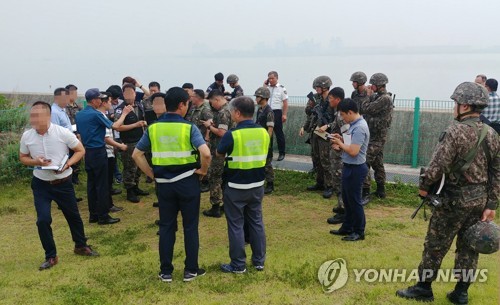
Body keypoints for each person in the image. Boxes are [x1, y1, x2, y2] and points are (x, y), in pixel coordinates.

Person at [396, 82, 500, 304]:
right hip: (479, 201)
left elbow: (437, 166)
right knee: (470, 246)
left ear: (464, 106)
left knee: (435, 244)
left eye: (456, 103)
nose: (454, 106)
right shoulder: (491, 134)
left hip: (452, 200)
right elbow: (496, 171)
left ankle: (423, 288)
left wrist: (424, 186)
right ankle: (461, 293)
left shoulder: (454, 131)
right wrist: (491, 204)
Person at [132, 87, 211, 283]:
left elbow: (136, 155)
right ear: (182, 105)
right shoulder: (189, 128)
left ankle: (166, 271)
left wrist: (151, 174)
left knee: (167, 227)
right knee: (190, 227)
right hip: (187, 183)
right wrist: (202, 170)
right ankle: (191, 269)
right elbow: (206, 153)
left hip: (164, 185)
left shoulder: (153, 128)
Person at [20, 101, 99, 271]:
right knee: (43, 220)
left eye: (37, 115)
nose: (33, 118)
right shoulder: (27, 136)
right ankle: (51, 256)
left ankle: (80, 246)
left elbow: (80, 150)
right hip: (41, 184)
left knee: (73, 216)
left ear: (47, 116)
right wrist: (36, 161)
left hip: (63, 183)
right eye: (31, 115)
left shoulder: (63, 133)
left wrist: (69, 164)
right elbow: (23, 157)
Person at [217, 96, 269, 273]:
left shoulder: (232, 134)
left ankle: (238, 264)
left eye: (232, 112)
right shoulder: (263, 132)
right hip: (257, 185)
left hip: (236, 186)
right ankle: (259, 261)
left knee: (236, 224)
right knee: (256, 222)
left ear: (237, 113)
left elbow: (219, 152)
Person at [76, 88, 132, 225]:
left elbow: (80, 134)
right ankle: (103, 216)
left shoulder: (79, 114)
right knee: (101, 184)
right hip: (98, 151)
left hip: (88, 151)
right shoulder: (96, 114)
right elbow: (115, 126)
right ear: (94, 100)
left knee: (91, 184)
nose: (101, 101)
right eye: (99, 99)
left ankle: (93, 214)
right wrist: (124, 114)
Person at [330, 98, 370, 242]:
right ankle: (347, 227)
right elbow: (350, 144)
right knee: (347, 200)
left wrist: (339, 143)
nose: (342, 117)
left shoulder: (359, 127)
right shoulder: (353, 125)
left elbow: (353, 151)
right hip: (349, 166)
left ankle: (359, 231)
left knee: (354, 201)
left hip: (356, 168)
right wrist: (340, 140)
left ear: (351, 112)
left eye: (343, 114)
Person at [115, 83, 149, 203]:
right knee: (129, 167)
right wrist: (135, 124)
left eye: (131, 92)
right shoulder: (120, 109)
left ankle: (136, 186)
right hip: (128, 142)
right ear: (123, 95)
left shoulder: (139, 105)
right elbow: (118, 127)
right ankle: (130, 190)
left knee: (139, 166)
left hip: (140, 141)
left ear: (135, 94)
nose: (129, 95)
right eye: (126, 93)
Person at [361, 73, 393, 203]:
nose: (371, 86)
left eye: (373, 84)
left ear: (379, 85)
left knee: (364, 162)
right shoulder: (378, 97)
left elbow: (366, 108)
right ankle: (381, 190)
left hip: (377, 137)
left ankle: (365, 192)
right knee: (378, 163)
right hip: (373, 135)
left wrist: (367, 96)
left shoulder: (384, 98)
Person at [202, 89, 233, 218]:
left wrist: (209, 127)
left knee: (215, 178)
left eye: (211, 103)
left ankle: (215, 206)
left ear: (217, 99)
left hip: (220, 151)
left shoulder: (223, 112)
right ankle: (226, 205)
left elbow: (222, 132)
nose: (211, 106)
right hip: (225, 150)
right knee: (224, 179)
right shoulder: (229, 109)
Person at [305, 76, 335, 199]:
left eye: (318, 87)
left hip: (327, 133)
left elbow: (338, 119)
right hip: (317, 131)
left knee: (326, 160)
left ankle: (329, 186)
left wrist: (328, 125)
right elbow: (308, 112)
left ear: (324, 87)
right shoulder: (316, 99)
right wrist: (311, 106)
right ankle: (320, 182)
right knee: (316, 158)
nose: (316, 89)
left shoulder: (332, 100)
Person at [97, 92, 127, 212]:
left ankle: (107, 204)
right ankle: (107, 205)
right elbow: (106, 137)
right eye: (109, 101)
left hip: (107, 152)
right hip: (106, 153)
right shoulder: (101, 116)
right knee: (106, 182)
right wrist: (119, 145)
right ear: (103, 103)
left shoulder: (102, 115)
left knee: (107, 181)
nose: (111, 104)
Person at [185, 89, 214, 193]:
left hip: (202, 139)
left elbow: (210, 123)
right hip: (195, 140)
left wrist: (206, 138)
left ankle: (206, 182)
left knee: (205, 160)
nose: (190, 98)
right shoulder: (194, 108)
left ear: (197, 97)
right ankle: (200, 179)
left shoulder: (205, 109)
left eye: (192, 96)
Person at [326, 87, 347, 225]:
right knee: (336, 181)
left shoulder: (342, 115)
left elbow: (348, 135)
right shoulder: (338, 113)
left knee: (339, 182)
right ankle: (341, 206)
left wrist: (339, 144)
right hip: (337, 153)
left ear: (338, 99)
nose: (329, 101)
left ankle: (343, 212)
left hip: (341, 155)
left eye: (331, 98)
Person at [255, 87, 275, 194]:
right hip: (259, 140)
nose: (256, 98)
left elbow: (270, 129)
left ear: (264, 98)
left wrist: (267, 143)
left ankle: (270, 184)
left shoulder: (269, 112)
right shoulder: (260, 110)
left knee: (267, 164)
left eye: (258, 96)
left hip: (265, 141)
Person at [265, 71, 288, 161]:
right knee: (268, 133)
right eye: (269, 78)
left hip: (277, 112)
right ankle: (269, 153)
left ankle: (281, 153)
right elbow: (261, 95)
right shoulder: (267, 88)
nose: (270, 80)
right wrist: (265, 84)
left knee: (279, 133)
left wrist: (284, 114)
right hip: (267, 111)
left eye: (272, 78)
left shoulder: (282, 88)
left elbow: (285, 103)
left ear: (276, 78)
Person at [65, 84, 84, 185]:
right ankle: (68, 176)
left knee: (77, 155)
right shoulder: (63, 107)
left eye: (75, 93)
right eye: (72, 93)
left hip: (77, 135)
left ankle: (76, 176)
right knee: (68, 156)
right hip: (67, 135)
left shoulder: (79, 107)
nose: (74, 95)